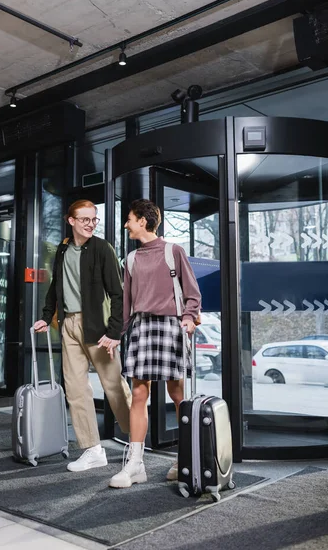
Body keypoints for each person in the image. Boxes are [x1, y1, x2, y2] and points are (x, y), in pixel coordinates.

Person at [109, 199, 201, 488]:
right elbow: (125, 305)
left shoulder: (174, 251)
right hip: (142, 327)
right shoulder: (131, 259)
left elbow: (192, 293)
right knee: (138, 393)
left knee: (177, 394)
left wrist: (188, 318)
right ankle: (135, 464)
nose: (126, 224)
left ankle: (184, 459)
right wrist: (116, 334)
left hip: (171, 326)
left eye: (130, 219)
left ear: (143, 222)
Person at [34, 199, 131, 472]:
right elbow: (56, 285)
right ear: (71, 221)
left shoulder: (102, 249)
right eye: (85, 219)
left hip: (98, 329)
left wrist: (114, 332)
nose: (90, 224)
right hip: (69, 326)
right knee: (76, 390)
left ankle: (136, 439)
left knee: (113, 386)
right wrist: (45, 316)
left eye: (94, 219)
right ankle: (92, 449)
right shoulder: (63, 250)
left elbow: (118, 294)